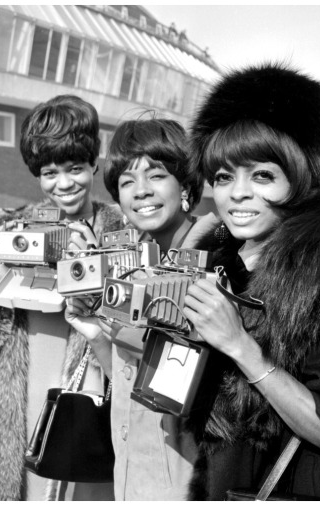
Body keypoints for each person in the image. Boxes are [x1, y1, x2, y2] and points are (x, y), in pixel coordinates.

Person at [180, 63, 320, 500]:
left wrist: (242, 348)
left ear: (302, 181)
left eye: (262, 175)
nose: (237, 193)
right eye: (224, 176)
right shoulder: (219, 265)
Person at [0, 94, 125, 501]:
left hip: (90, 397)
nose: (63, 184)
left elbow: (134, 330)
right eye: (50, 172)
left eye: (75, 169)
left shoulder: (121, 230)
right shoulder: (13, 229)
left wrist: (98, 261)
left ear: (94, 164)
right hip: (22, 401)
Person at [64, 117, 220, 500]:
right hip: (134, 465)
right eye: (127, 181)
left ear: (185, 183)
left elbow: (205, 383)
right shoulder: (132, 260)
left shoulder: (216, 258)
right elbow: (128, 379)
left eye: (156, 175)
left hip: (190, 471)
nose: (141, 192)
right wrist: (95, 330)